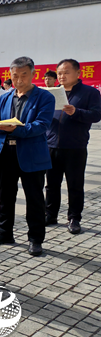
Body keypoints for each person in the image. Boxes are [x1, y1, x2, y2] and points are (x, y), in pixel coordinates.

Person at [0, 57, 55, 256]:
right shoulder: (6, 97)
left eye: (23, 75)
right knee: (5, 196)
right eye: (14, 75)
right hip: (6, 152)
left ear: (33, 74)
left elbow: (42, 125)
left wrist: (15, 129)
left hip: (31, 155)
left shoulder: (44, 97)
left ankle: (35, 239)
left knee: (34, 198)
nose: (18, 80)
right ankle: (4, 232)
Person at [45, 59, 101, 234]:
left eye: (66, 72)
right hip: (52, 145)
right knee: (51, 184)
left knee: (75, 184)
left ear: (78, 73)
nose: (61, 76)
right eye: (59, 73)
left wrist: (77, 112)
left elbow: (96, 115)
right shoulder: (50, 93)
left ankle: (74, 218)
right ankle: (50, 214)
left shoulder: (89, 93)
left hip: (75, 146)